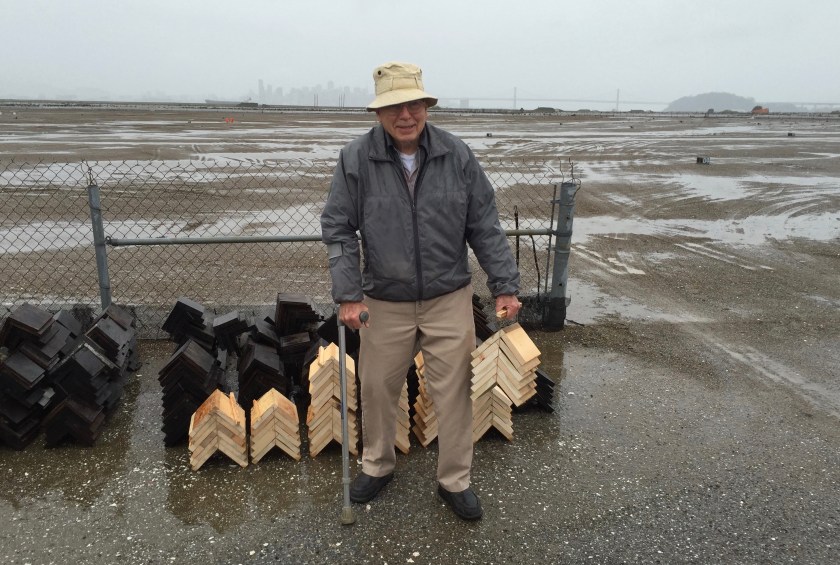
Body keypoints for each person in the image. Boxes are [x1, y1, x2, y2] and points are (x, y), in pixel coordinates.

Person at [320, 61, 521, 521]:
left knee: (453, 392)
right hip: (383, 302)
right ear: (379, 113)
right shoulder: (356, 159)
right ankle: (377, 465)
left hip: (448, 297)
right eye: (394, 106)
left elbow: (484, 226)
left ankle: (455, 481)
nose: (405, 114)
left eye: (413, 104)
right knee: (376, 388)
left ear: (426, 106)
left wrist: (505, 286)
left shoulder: (457, 154)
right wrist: (349, 295)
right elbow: (338, 228)